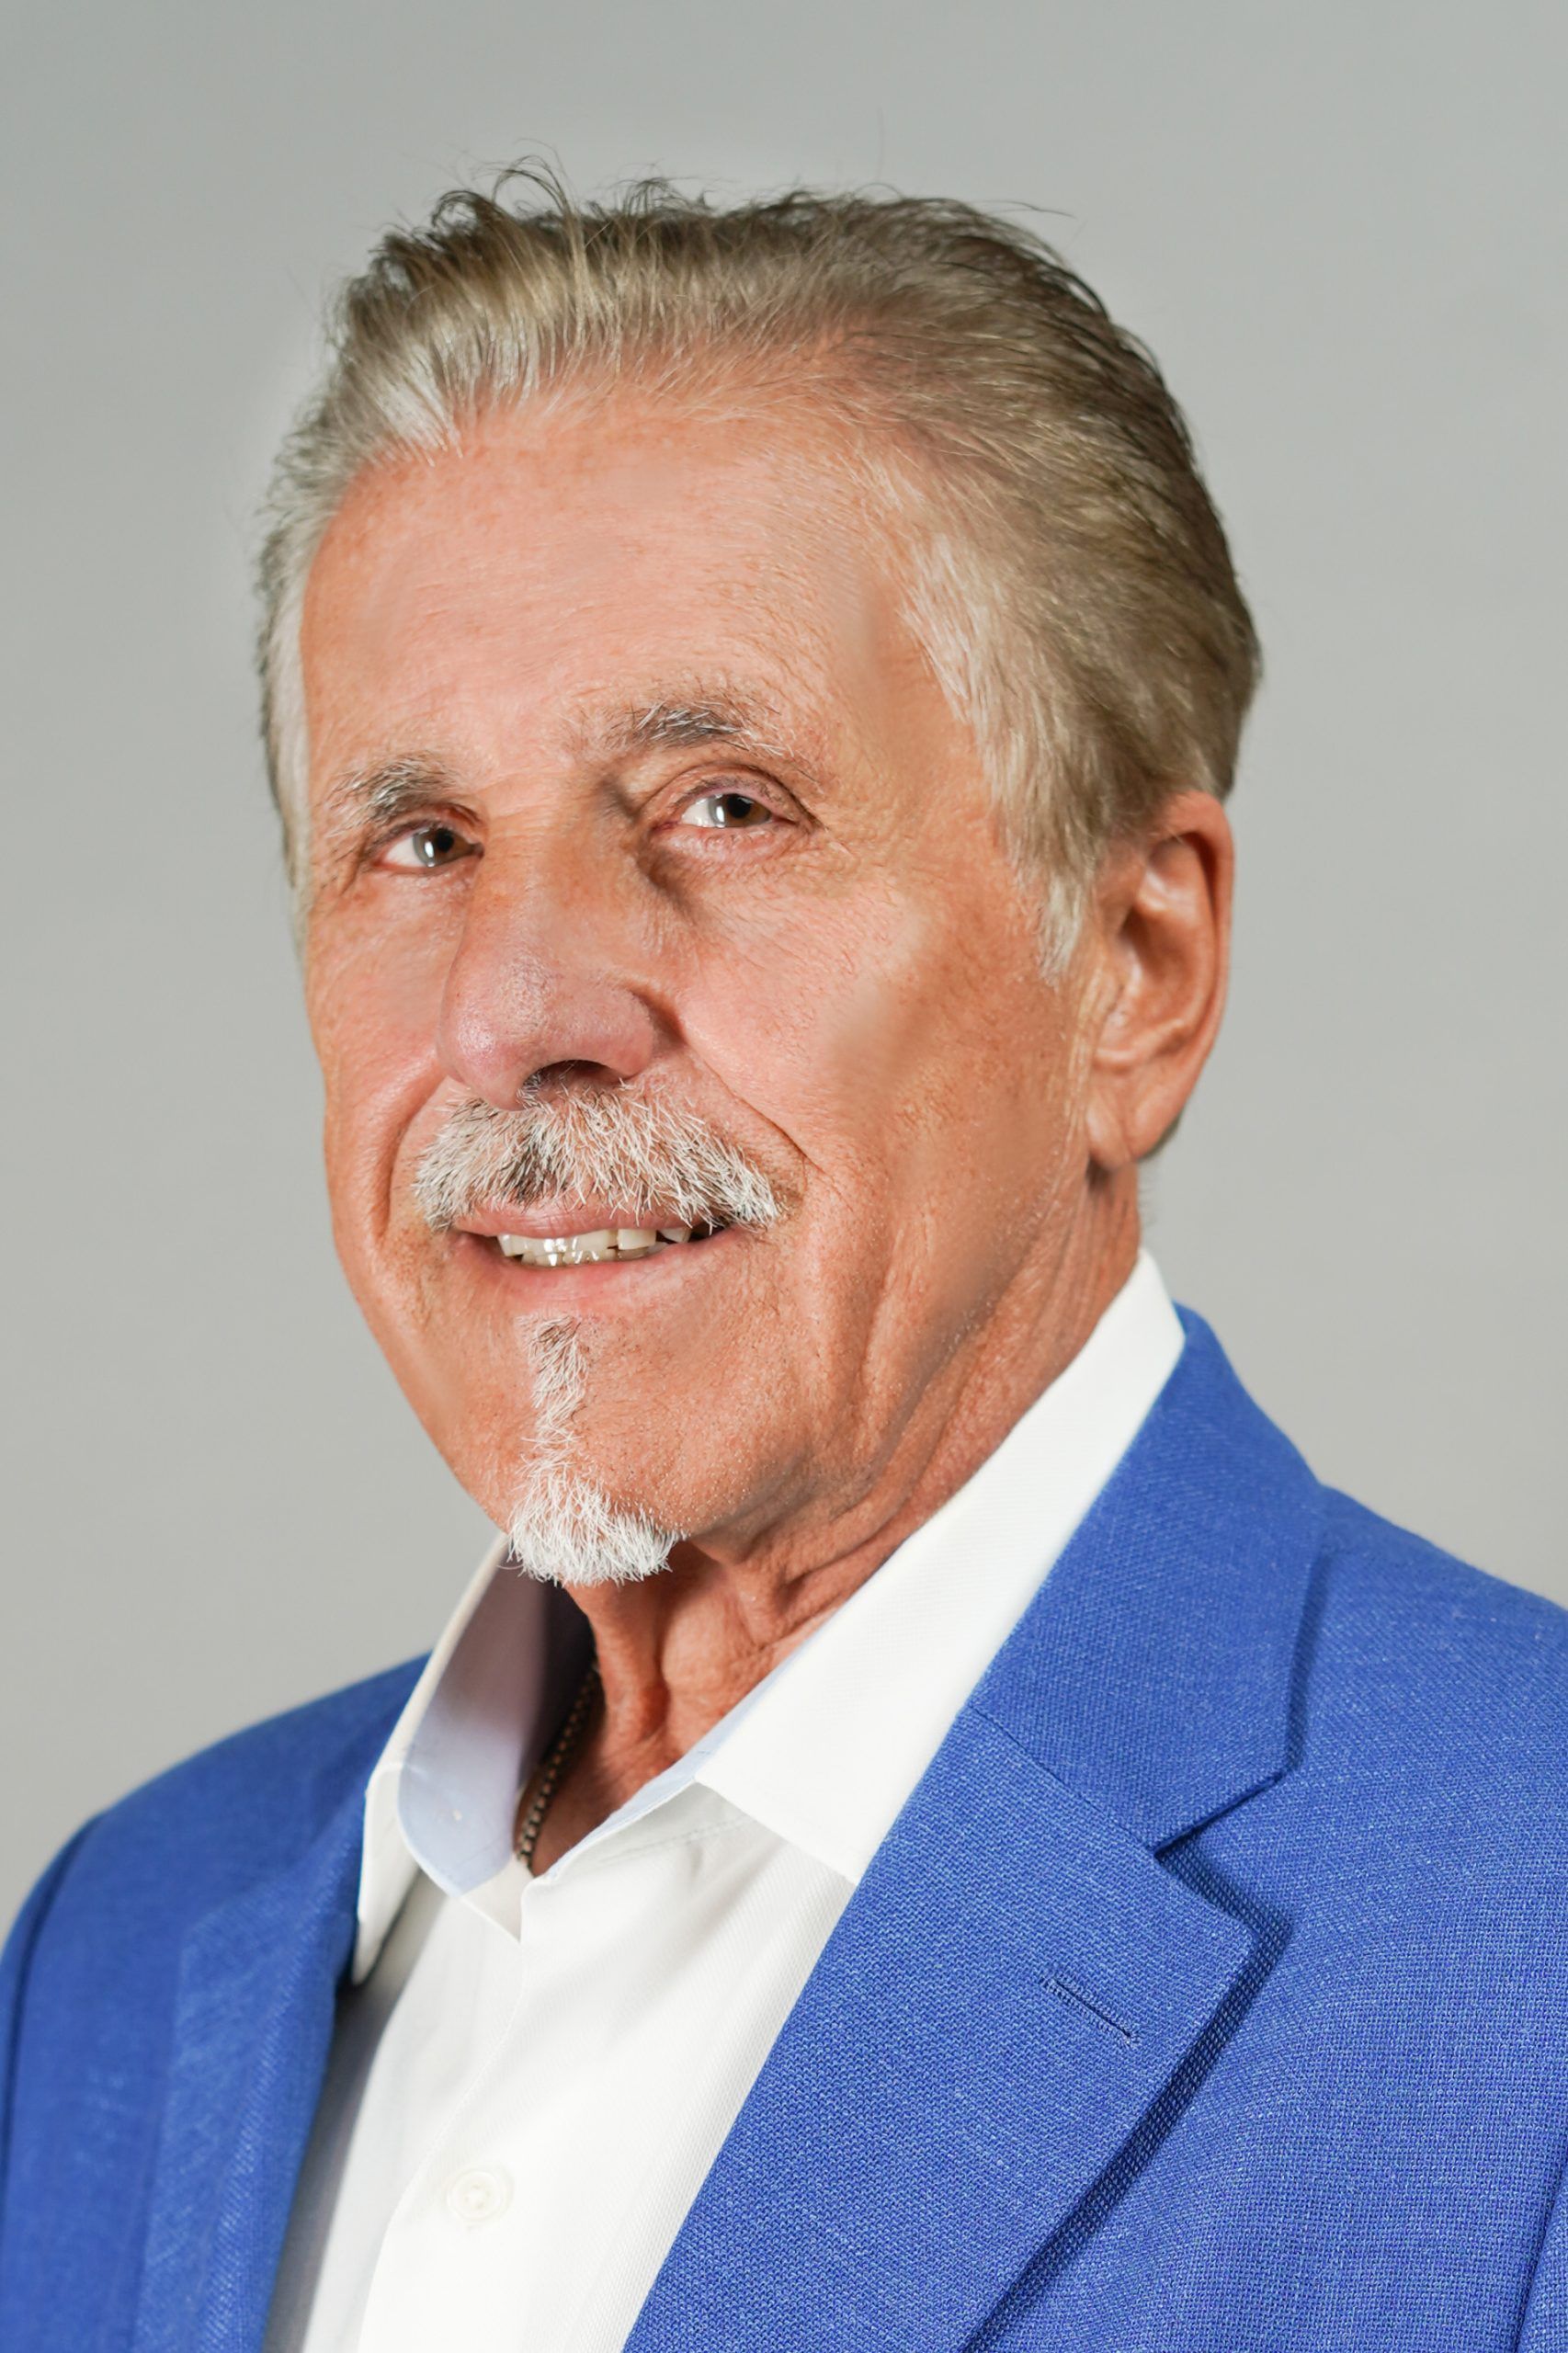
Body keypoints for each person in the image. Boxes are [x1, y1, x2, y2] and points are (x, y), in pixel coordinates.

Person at [3, 169, 1565, 2353]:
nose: (517, 999)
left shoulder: (1530, 1929)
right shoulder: (117, 1948)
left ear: (1134, 963)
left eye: (720, 805)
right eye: (419, 840)